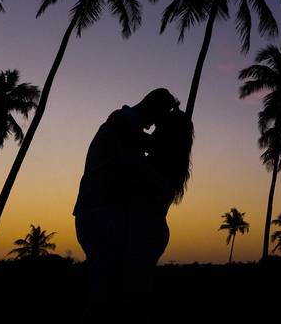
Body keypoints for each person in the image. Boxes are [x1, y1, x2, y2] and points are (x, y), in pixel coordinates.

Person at [73, 88, 192, 321]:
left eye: (161, 125)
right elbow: (134, 142)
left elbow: (140, 158)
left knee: (109, 295)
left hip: (114, 219)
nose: (154, 127)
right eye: (159, 119)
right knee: (111, 295)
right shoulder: (123, 125)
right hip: (104, 214)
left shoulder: (129, 132)